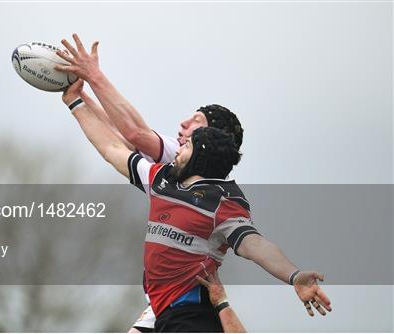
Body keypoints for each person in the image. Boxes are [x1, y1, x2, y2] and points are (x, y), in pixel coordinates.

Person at [56, 35, 332, 332]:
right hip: (163, 307)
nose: (181, 131)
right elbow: (114, 148)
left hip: (189, 311)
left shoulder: (221, 201)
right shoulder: (164, 179)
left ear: (202, 147)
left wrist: (293, 275)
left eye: (194, 124)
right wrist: (75, 101)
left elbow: (255, 245)